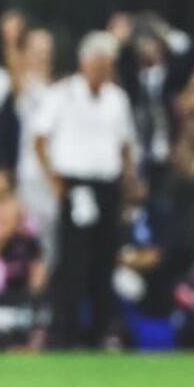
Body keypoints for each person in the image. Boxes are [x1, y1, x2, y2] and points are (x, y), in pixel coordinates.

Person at [31, 32, 141, 349]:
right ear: (85, 62)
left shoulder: (117, 99)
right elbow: (40, 139)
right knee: (72, 259)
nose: (104, 69)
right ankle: (64, 331)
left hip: (107, 184)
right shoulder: (62, 94)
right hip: (75, 184)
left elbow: (125, 145)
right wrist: (54, 180)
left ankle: (101, 330)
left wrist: (129, 182)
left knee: (105, 259)